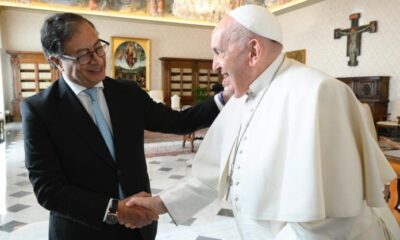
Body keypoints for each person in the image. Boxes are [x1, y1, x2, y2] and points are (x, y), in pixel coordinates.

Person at [125, 5, 400, 239]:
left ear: (253, 51)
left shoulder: (318, 93)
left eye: (219, 52)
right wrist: (160, 203)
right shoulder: (240, 97)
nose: (214, 66)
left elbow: (330, 218)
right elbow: (209, 177)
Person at [21, 13, 229, 240]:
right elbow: (49, 191)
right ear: (57, 61)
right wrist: (114, 209)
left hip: (138, 229)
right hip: (83, 232)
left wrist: (226, 97)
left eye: (98, 47)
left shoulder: (127, 93)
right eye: (83, 55)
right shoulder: (40, 110)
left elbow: (179, 122)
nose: (97, 59)